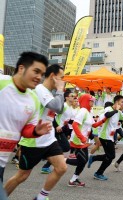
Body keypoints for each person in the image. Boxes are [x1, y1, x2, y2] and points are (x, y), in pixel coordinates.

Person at [5, 64, 68, 200]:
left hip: (49, 139)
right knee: (22, 176)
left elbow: (61, 109)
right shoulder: (40, 89)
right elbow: (56, 106)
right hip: (33, 141)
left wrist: (59, 91)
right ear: (53, 76)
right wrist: (60, 90)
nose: (63, 80)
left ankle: (40, 197)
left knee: (61, 167)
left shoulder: (51, 92)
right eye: (61, 77)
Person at [0, 52, 52, 200]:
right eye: (36, 71)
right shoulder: (2, 83)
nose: (39, 77)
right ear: (21, 68)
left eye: (42, 74)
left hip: (2, 160)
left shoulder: (34, 99)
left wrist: (35, 131)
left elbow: (26, 129)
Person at [66, 94, 106, 187]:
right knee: (83, 160)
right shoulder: (83, 111)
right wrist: (82, 138)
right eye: (91, 101)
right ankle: (63, 161)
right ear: (85, 101)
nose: (93, 103)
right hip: (78, 140)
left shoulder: (88, 112)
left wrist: (105, 119)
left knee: (83, 160)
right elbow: (75, 125)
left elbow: (94, 125)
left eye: (93, 101)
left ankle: (73, 179)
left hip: (82, 140)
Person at [88, 95, 123, 180]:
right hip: (104, 136)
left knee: (110, 156)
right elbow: (107, 115)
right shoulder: (108, 109)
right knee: (110, 156)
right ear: (116, 102)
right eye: (122, 102)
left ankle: (94, 159)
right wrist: (116, 110)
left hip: (110, 137)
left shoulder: (119, 112)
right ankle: (98, 173)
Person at [41, 90, 74, 174]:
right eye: (72, 96)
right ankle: (47, 160)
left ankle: (46, 164)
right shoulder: (64, 106)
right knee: (65, 147)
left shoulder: (70, 108)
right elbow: (53, 115)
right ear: (66, 97)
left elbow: (67, 121)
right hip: (57, 129)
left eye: (74, 96)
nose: (74, 97)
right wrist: (56, 125)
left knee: (56, 146)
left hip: (62, 129)